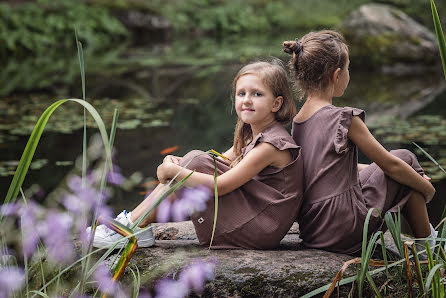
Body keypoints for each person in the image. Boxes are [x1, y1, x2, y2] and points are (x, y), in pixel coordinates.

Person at [88, 60, 304, 249]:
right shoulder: (251, 133)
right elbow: (219, 159)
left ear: (277, 103)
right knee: (194, 160)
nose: (247, 100)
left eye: (257, 94)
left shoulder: (271, 145)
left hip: (261, 227)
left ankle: (130, 225)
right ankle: (135, 223)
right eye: (241, 93)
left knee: (195, 163)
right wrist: (177, 164)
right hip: (254, 214)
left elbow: (223, 184)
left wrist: (176, 171)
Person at [282, 30, 437, 255]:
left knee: (403, 173)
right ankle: (428, 245)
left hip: (315, 230)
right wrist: (427, 188)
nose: (348, 74)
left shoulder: (299, 120)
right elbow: (390, 165)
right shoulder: (344, 118)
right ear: (336, 75)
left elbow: (324, 170)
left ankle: (426, 243)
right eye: (348, 69)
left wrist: (403, 175)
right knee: (404, 158)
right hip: (344, 229)